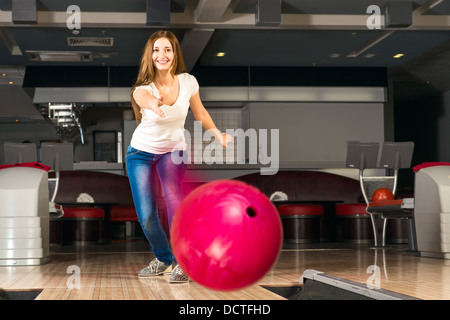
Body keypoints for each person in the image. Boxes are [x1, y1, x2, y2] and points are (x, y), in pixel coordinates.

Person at [126, 30, 232, 283]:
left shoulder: (188, 82)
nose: (161, 55)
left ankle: (182, 262)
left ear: (175, 54)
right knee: (147, 216)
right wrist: (151, 103)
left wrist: (218, 135)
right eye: (156, 50)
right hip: (140, 154)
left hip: (173, 152)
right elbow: (140, 97)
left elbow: (201, 113)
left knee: (175, 201)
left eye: (167, 50)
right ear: (150, 56)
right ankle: (163, 259)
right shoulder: (144, 88)